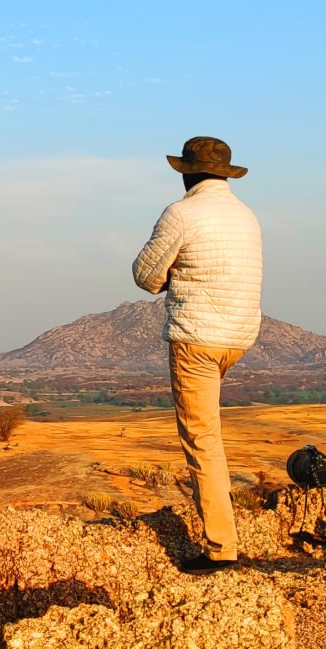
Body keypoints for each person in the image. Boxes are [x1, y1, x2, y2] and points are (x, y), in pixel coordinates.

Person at [132, 136, 263, 574]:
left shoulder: (182, 213)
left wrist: (172, 276)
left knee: (203, 441)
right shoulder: (247, 216)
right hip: (239, 337)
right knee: (212, 436)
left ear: (187, 172)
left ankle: (221, 549)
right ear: (225, 173)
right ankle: (223, 530)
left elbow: (146, 276)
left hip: (196, 339)